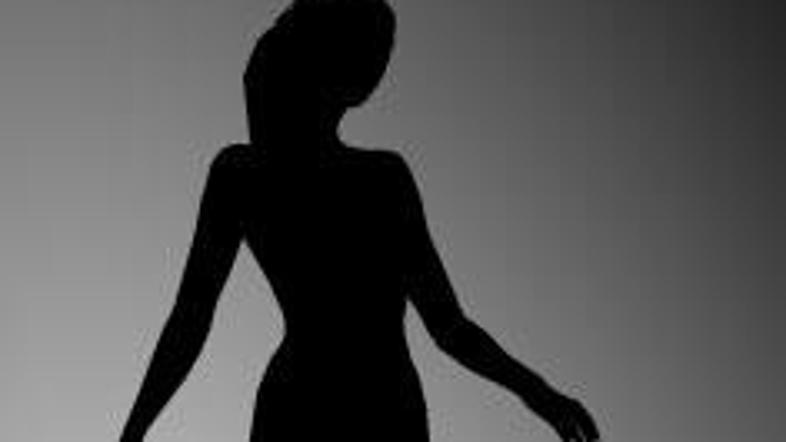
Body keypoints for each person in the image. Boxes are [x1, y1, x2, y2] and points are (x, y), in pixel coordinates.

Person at [119, 1, 600, 441]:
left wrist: (537, 392)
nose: (251, 85)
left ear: (319, 87)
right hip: (302, 409)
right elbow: (191, 317)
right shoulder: (239, 175)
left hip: (378, 410)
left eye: (267, 72)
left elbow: (447, 324)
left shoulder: (378, 180)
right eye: (253, 72)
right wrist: (134, 430)